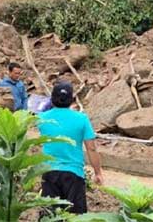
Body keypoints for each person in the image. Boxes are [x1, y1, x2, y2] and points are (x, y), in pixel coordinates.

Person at [38, 81, 104, 215]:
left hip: (49, 173)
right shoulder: (82, 119)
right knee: (75, 216)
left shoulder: (42, 119)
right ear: (71, 100)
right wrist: (98, 173)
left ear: (52, 99)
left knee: (49, 216)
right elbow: (91, 148)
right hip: (74, 175)